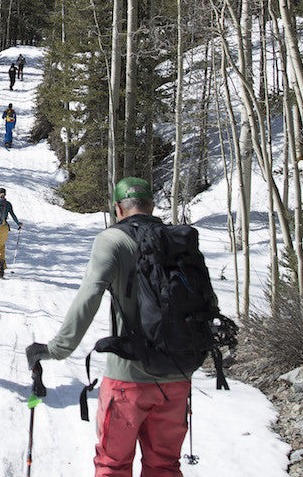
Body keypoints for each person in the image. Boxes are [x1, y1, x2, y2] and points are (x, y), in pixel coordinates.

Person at [25, 177, 191, 477]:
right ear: (151, 206)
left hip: (128, 378)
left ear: (118, 208)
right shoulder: (177, 240)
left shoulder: (113, 239)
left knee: (113, 465)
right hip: (177, 376)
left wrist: (56, 349)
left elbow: (90, 296)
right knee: (165, 466)